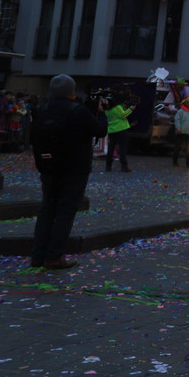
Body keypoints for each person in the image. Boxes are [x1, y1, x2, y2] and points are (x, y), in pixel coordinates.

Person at [30, 75, 105, 269]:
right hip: (74, 168)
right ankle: (54, 256)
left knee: (47, 208)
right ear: (71, 91)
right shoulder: (78, 111)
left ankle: (38, 255)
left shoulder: (41, 110)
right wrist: (101, 113)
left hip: (48, 166)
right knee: (65, 210)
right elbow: (100, 131)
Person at [104, 90, 133, 172]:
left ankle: (108, 166)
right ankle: (124, 166)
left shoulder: (107, 109)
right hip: (121, 129)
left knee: (111, 148)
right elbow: (123, 115)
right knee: (122, 149)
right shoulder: (117, 107)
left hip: (112, 130)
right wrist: (131, 109)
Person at [171, 100, 189, 167]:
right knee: (177, 147)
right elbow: (177, 120)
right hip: (181, 132)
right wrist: (178, 128)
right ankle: (175, 162)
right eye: (188, 103)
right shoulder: (180, 112)